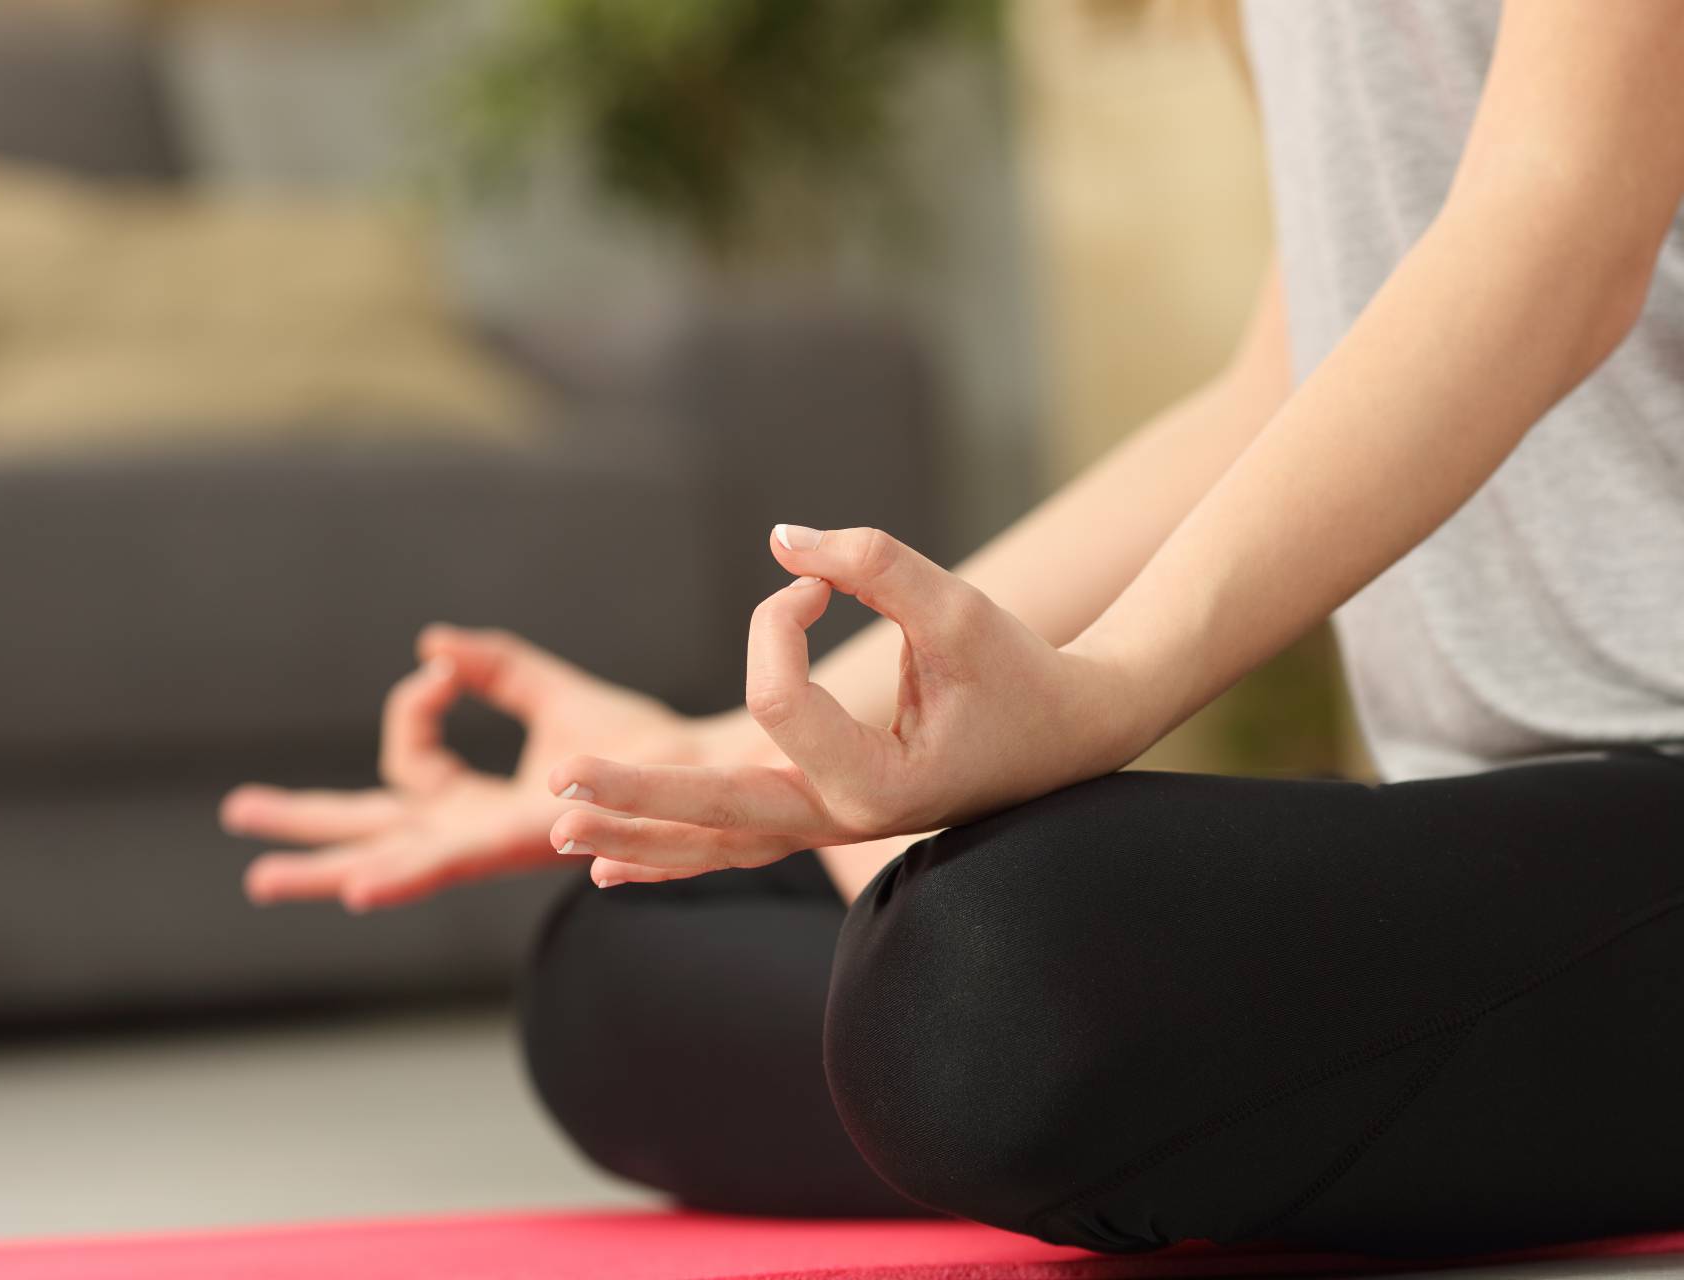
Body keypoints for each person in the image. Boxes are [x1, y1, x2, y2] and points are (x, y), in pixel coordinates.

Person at [220, 0, 1684, 1258]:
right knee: (631, 959)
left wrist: (1107, 690)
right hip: (1500, 800)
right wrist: (757, 766)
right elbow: (1297, 373)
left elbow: (1559, 217)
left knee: (989, 980)